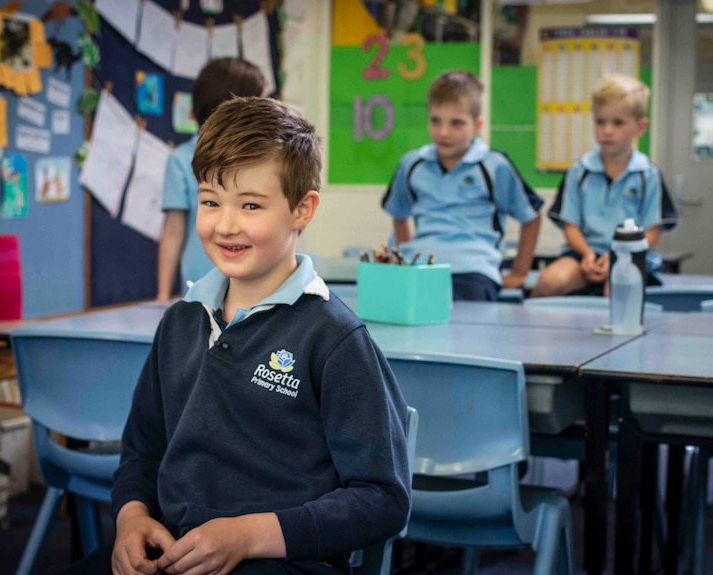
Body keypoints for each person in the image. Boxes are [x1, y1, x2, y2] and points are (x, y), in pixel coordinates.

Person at [66, 97, 411, 575]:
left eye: (250, 205)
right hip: (174, 554)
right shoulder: (181, 322)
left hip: (282, 563)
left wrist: (248, 536)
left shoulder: (334, 337)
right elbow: (141, 453)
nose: (225, 224)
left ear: (301, 210)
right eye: (210, 201)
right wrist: (131, 518)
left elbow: (383, 499)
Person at [381, 69, 543, 302]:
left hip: (474, 271)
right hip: (420, 270)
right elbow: (399, 212)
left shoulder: (494, 166)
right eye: (435, 121)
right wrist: (410, 255)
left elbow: (531, 217)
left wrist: (519, 272)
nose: (443, 132)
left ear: (477, 125)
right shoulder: (411, 164)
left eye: (457, 123)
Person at [531, 73, 677, 298]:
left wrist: (619, 255)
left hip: (632, 254)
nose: (607, 130)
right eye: (601, 122)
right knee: (550, 281)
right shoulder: (579, 171)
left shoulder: (648, 175)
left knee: (619, 283)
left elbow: (652, 233)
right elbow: (570, 226)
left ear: (640, 127)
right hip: (584, 254)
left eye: (618, 123)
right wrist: (587, 255)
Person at [156, 57, 265, 301]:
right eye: (257, 101)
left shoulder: (261, 159)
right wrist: (163, 296)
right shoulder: (181, 159)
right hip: (199, 287)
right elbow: (173, 231)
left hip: (252, 283)